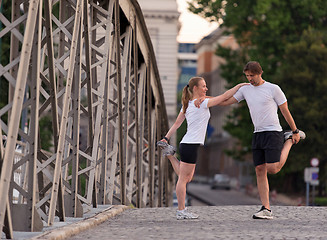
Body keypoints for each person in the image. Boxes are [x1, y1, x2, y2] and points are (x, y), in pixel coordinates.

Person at [204, 61, 305, 219]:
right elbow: (225, 101)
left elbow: (285, 110)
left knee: (273, 168)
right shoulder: (246, 90)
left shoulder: (273, 89)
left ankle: (289, 140)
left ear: (260, 73)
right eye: (247, 76)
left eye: (252, 75)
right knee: (260, 170)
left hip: (273, 132)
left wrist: (295, 131)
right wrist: (205, 99)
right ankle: (266, 208)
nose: (249, 78)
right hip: (258, 134)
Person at [157, 77, 248, 220]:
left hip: (188, 144)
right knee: (183, 179)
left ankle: (170, 154)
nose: (206, 88)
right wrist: (240, 85)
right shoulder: (202, 103)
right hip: (190, 144)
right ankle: (181, 211)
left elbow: (176, 124)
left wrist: (166, 138)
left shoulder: (187, 104)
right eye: (203, 86)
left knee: (187, 176)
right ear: (195, 88)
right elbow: (224, 96)